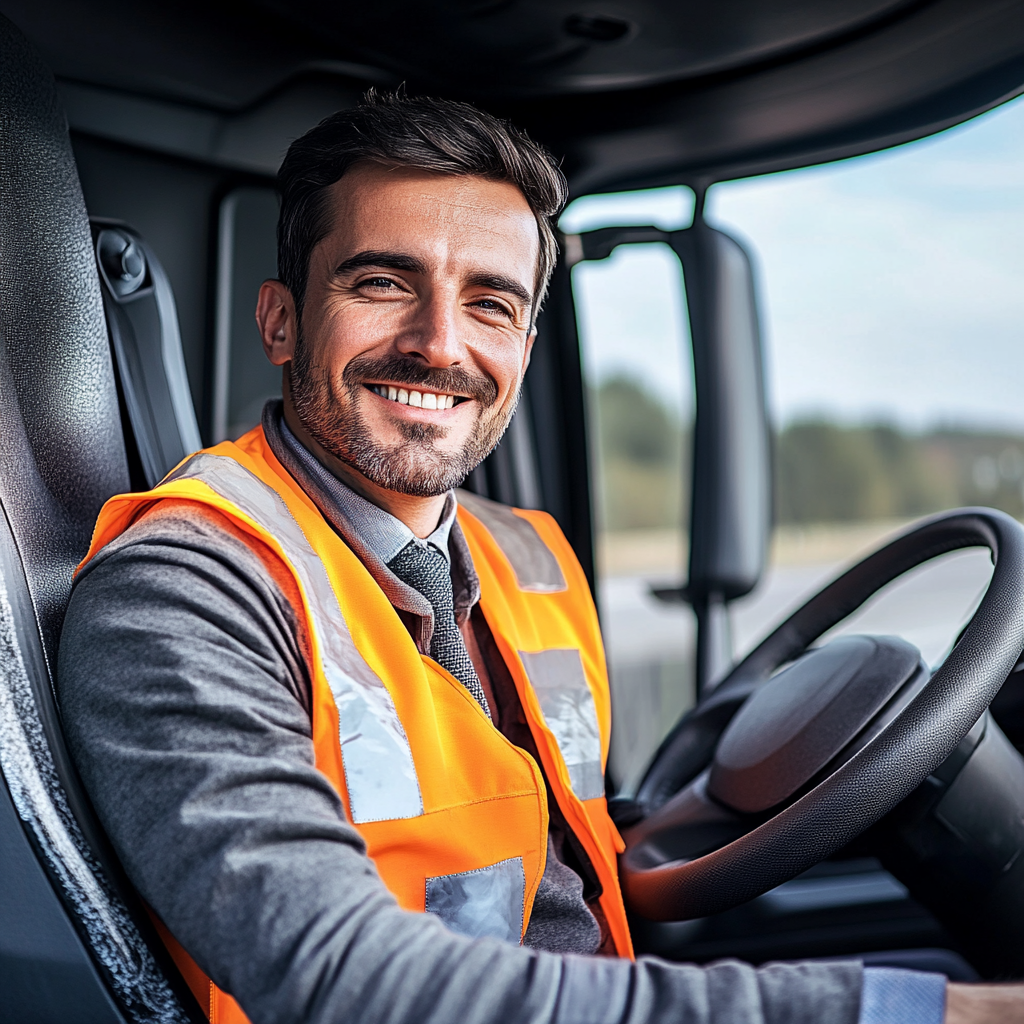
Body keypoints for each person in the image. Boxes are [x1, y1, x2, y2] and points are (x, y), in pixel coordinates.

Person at [57, 90, 1021, 1024]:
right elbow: (347, 979)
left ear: (523, 341)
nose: (440, 345)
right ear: (281, 321)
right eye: (383, 282)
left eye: (491, 304)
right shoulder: (180, 593)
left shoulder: (523, 557)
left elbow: (561, 831)